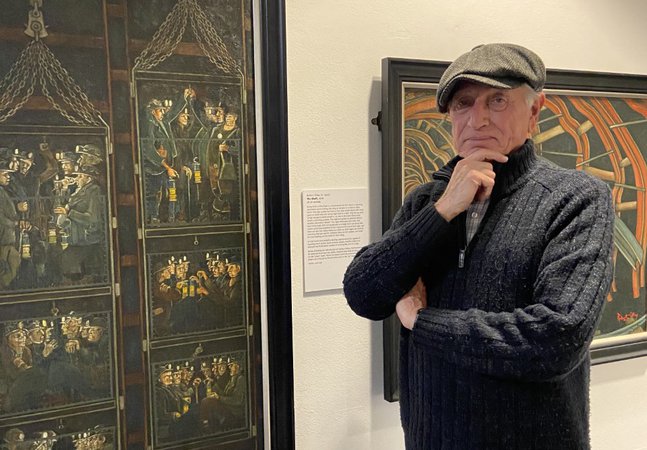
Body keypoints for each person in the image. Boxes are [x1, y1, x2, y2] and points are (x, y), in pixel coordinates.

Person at [343, 43, 614, 450]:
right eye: (463, 103)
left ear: (535, 112)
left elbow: (556, 340)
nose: (478, 118)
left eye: (498, 100)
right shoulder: (425, 201)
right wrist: (444, 209)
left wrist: (422, 322)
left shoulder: (575, 199)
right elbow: (363, 292)